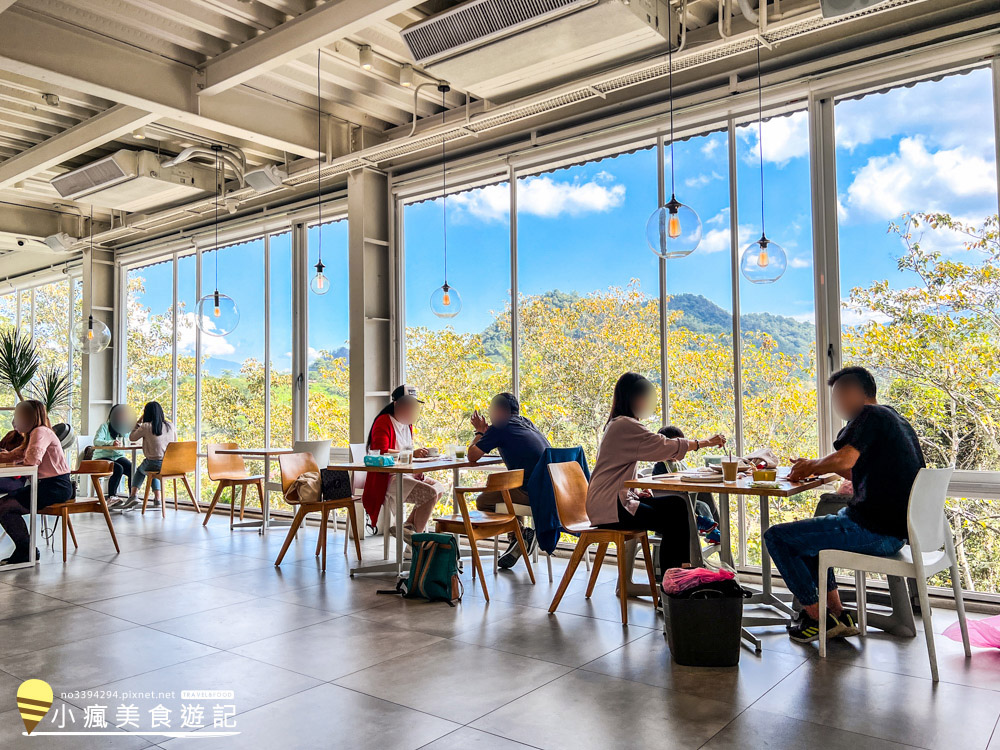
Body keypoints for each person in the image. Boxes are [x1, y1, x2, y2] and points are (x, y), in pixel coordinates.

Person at [763, 365, 925, 643]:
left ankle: (817, 619)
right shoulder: (894, 419)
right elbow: (855, 470)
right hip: (894, 532)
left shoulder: (870, 414)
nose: (836, 404)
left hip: (874, 530)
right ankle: (838, 615)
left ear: (854, 393)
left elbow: (846, 458)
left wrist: (811, 466)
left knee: (777, 537)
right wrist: (815, 467)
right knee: (809, 540)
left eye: (838, 397)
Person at [587, 373, 726, 572]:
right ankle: (674, 577)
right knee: (674, 517)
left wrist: (636, 492)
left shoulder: (619, 424)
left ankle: (676, 574)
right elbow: (663, 445)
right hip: (610, 506)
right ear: (632, 397)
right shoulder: (624, 425)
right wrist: (705, 442)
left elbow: (619, 470)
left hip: (614, 501)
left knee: (678, 506)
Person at [467, 392, 551, 568]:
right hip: (551, 491)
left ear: (500, 410)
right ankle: (519, 539)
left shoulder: (500, 426)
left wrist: (479, 431)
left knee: (483, 501)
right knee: (509, 488)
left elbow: (472, 455)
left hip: (531, 493)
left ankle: (521, 534)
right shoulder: (526, 422)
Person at [361, 385, 444, 552]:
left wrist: (418, 457)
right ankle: (415, 546)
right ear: (397, 404)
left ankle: (407, 530)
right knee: (429, 494)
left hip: (407, 475)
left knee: (439, 488)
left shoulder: (408, 425)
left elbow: (406, 453)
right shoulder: (384, 421)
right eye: (408, 404)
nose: (412, 409)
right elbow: (381, 452)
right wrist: (412, 454)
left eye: (414, 405)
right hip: (387, 478)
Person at [0, 400, 73, 564]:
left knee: (4, 506)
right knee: (3, 506)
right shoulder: (33, 434)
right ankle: (26, 550)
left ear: (32, 416)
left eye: (20, 416)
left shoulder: (40, 432)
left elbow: (32, 460)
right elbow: (13, 456)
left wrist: (17, 458)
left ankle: (26, 551)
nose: (16, 420)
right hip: (47, 485)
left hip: (56, 486)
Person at [651, 425, 721, 544]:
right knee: (701, 505)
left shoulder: (680, 464)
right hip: (673, 505)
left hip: (686, 498)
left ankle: (717, 527)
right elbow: (662, 488)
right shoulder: (660, 466)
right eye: (675, 447)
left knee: (705, 495)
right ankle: (711, 528)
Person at [123, 401, 176, 510]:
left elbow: (132, 437)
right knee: (152, 471)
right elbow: (175, 442)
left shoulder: (146, 426)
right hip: (171, 464)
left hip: (155, 463)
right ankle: (158, 499)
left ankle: (133, 495)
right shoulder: (170, 426)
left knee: (141, 470)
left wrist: (138, 421)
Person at [94, 404, 136, 506]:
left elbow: (129, 439)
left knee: (132, 469)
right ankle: (111, 497)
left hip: (117, 456)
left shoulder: (124, 428)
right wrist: (111, 443)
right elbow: (96, 441)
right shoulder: (104, 427)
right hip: (101, 457)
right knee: (118, 468)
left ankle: (132, 497)